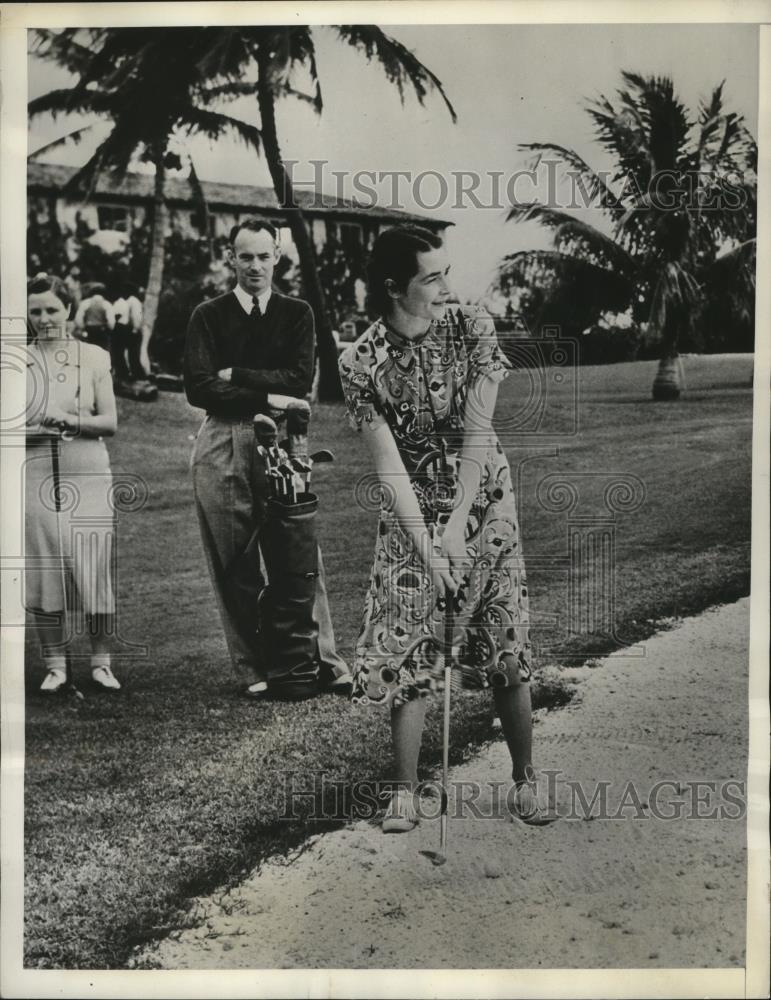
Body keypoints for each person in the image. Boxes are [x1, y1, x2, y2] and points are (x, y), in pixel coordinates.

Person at [339, 225, 558, 832]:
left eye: (445, 273)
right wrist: (431, 554)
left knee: (503, 639)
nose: (446, 287)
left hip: (482, 503)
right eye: (431, 278)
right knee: (409, 640)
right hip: (409, 516)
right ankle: (405, 792)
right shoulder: (359, 362)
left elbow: (477, 434)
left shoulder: (474, 328)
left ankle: (525, 779)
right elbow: (388, 467)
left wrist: (459, 526)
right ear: (393, 288)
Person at [183, 218, 350, 699]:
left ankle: (322, 659)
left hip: (281, 441)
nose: (254, 265)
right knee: (234, 559)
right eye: (245, 256)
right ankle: (254, 665)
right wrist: (269, 393)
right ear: (230, 258)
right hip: (221, 442)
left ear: (277, 256)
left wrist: (238, 374)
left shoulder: (296, 313)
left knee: (298, 551)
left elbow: (298, 378)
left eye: (263, 255)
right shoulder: (208, 315)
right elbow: (199, 386)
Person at [25, 274, 121, 693]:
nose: (45, 319)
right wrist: (38, 427)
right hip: (35, 472)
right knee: (44, 567)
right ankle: (55, 665)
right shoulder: (17, 361)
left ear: (68, 309)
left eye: (51, 309)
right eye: (35, 311)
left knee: (92, 563)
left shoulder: (95, 358)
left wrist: (70, 421)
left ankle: (102, 663)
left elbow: (110, 422)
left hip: (88, 470)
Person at [74, 283, 115, 355]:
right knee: (102, 352)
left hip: (89, 330)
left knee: (88, 352)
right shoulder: (106, 304)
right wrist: (109, 329)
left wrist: (83, 327)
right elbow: (111, 322)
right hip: (102, 331)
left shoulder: (85, 303)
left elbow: (78, 319)